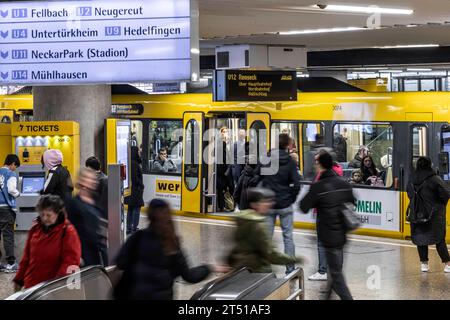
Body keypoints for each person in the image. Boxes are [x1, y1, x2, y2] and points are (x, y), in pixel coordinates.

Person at [114, 199, 227, 300]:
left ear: (149, 216)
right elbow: (189, 276)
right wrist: (210, 268)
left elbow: (120, 262)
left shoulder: (137, 238)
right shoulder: (171, 243)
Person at [300, 150, 355, 300]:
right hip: (343, 234)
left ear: (320, 165)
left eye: (316, 162)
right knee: (334, 270)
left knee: (336, 275)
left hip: (328, 236)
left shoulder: (318, 187)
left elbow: (303, 206)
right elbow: (352, 202)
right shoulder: (344, 183)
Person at [13, 195, 81, 290]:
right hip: (32, 286)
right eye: (42, 215)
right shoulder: (35, 229)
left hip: (52, 288)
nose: (44, 218)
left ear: (58, 214)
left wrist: (57, 286)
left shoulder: (68, 232)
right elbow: (26, 258)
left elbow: (71, 263)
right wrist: (18, 279)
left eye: (49, 215)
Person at [228, 188, 303, 273]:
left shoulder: (242, 219)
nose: (270, 204)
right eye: (265, 202)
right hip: (258, 271)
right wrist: (296, 259)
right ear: (254, 205)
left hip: (241, 268)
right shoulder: (258, 225)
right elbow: (271, 255)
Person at [261, 133, 301, 274]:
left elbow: (258, 177)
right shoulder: (290, 161)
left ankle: (264, 268)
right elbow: (297, 184)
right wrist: (291, 199)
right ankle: (290, 270)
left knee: (266, 238)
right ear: (287, 145)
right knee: (288, 237)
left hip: (269, 204)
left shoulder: (266, 159)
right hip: (285, 204)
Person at [407, 156, 450, 273]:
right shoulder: (434, 179)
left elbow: (409, 194)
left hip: (417, 213)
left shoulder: (412, 179)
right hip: (434, 214)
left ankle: (424, 264)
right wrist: (439, 204)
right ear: (429, 165)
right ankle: (447, 264)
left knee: (420, 238)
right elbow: (446, 194)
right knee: (439, 238)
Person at [65, 168, 106, 267]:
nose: (93, 181)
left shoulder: (96, 200)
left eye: (94, 179)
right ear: (81, 181)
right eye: (89, 178)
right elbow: (68, 230)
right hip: (81, 255)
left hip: (96, 253)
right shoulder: (73, 203)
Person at [0, 154, 20, 273]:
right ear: (12, 163)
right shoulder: (11, 174)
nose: (15, 169)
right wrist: (18, 194)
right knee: (8, 236)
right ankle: (11, 263)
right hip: (6, 209)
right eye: (15, 166)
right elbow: (11, 189)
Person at [233, 144, 261, 211]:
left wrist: (240, 204)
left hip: (244, 207)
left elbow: (236, 193)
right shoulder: (260, 177)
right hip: (256, 208)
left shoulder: (243, 175)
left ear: (247, 163)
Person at [125, 146, 145, 235]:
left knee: (130, 208)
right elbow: (135, 177)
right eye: (137, 151)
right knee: (136, 208)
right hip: (135, 190)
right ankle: (134, 228)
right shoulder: (135, 164)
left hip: (130, 189)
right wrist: (141, 185)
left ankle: (129, 228)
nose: (139, 153)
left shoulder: (129, 162)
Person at [217, 126, 234, 212]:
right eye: (223, 131)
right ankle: (222, 206)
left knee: (230, 188)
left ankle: (228, 205)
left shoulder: (231, 143)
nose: (225, 133)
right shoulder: (219, 144)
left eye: (226, 131)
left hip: (228, 170)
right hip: (223, 171)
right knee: (221, 189)